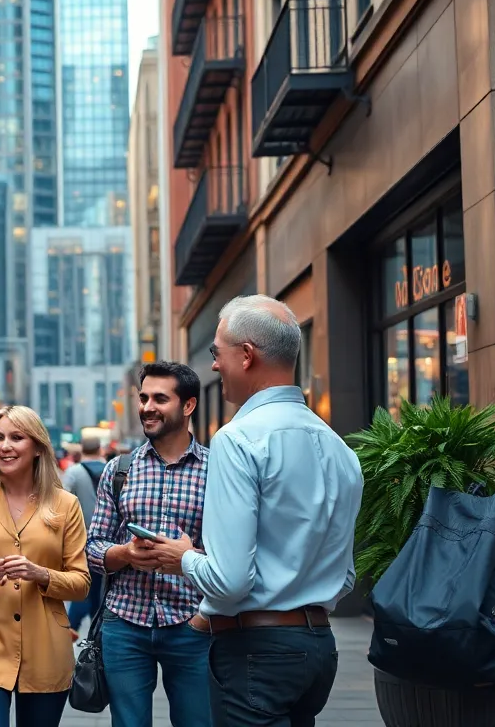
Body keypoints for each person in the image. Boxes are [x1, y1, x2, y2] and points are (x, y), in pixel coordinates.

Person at [148, 296, 363, 727]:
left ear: (246, 356)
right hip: (319, 646)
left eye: (216, 353)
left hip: (255, 652)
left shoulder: (238, 440)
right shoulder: (340, 448)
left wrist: (182, 558)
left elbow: (229, 581)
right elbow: (345, 577)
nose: (213, 366)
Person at [85, 361, 211, 727]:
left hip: (192, 623)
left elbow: (233, 556)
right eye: (143, 398)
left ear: (187, 406)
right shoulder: (119, 469)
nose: (146, 407)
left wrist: (188, 557)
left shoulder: (217, 469)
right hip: (124, 624)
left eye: (159, 398)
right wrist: (124, 554)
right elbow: (93, 547)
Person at [0, 406, 90, 727]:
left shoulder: (64, 504)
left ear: (38, 448)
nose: (5, 446)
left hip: (46, 649)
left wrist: (40, 574)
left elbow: (82, 583)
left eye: (17, 437)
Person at [62, 436, 107, 639]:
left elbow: (61, 500)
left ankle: (72, 627)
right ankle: (96, 631)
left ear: (82, 449)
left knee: (84, 583)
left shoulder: (74, 472)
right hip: (108, 539)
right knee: (99, 586)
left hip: (81, 537)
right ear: (100, 448)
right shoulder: (112, 469)